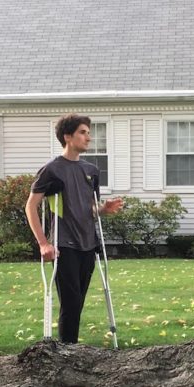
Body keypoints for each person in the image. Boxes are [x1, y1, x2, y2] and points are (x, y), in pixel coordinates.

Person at [25, 113, 123, 344]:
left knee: (78, 302)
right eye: (83, 132)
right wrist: (43, 244)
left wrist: (103, 209)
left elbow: (88, 209)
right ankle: (67, 350)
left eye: (89, 133)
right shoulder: (51, 170)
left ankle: (68, 348)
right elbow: (31, 206)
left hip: (88, 244)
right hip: (64, 245)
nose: (89, 138)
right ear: (67, 137)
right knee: (71, 302)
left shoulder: (91, 171)